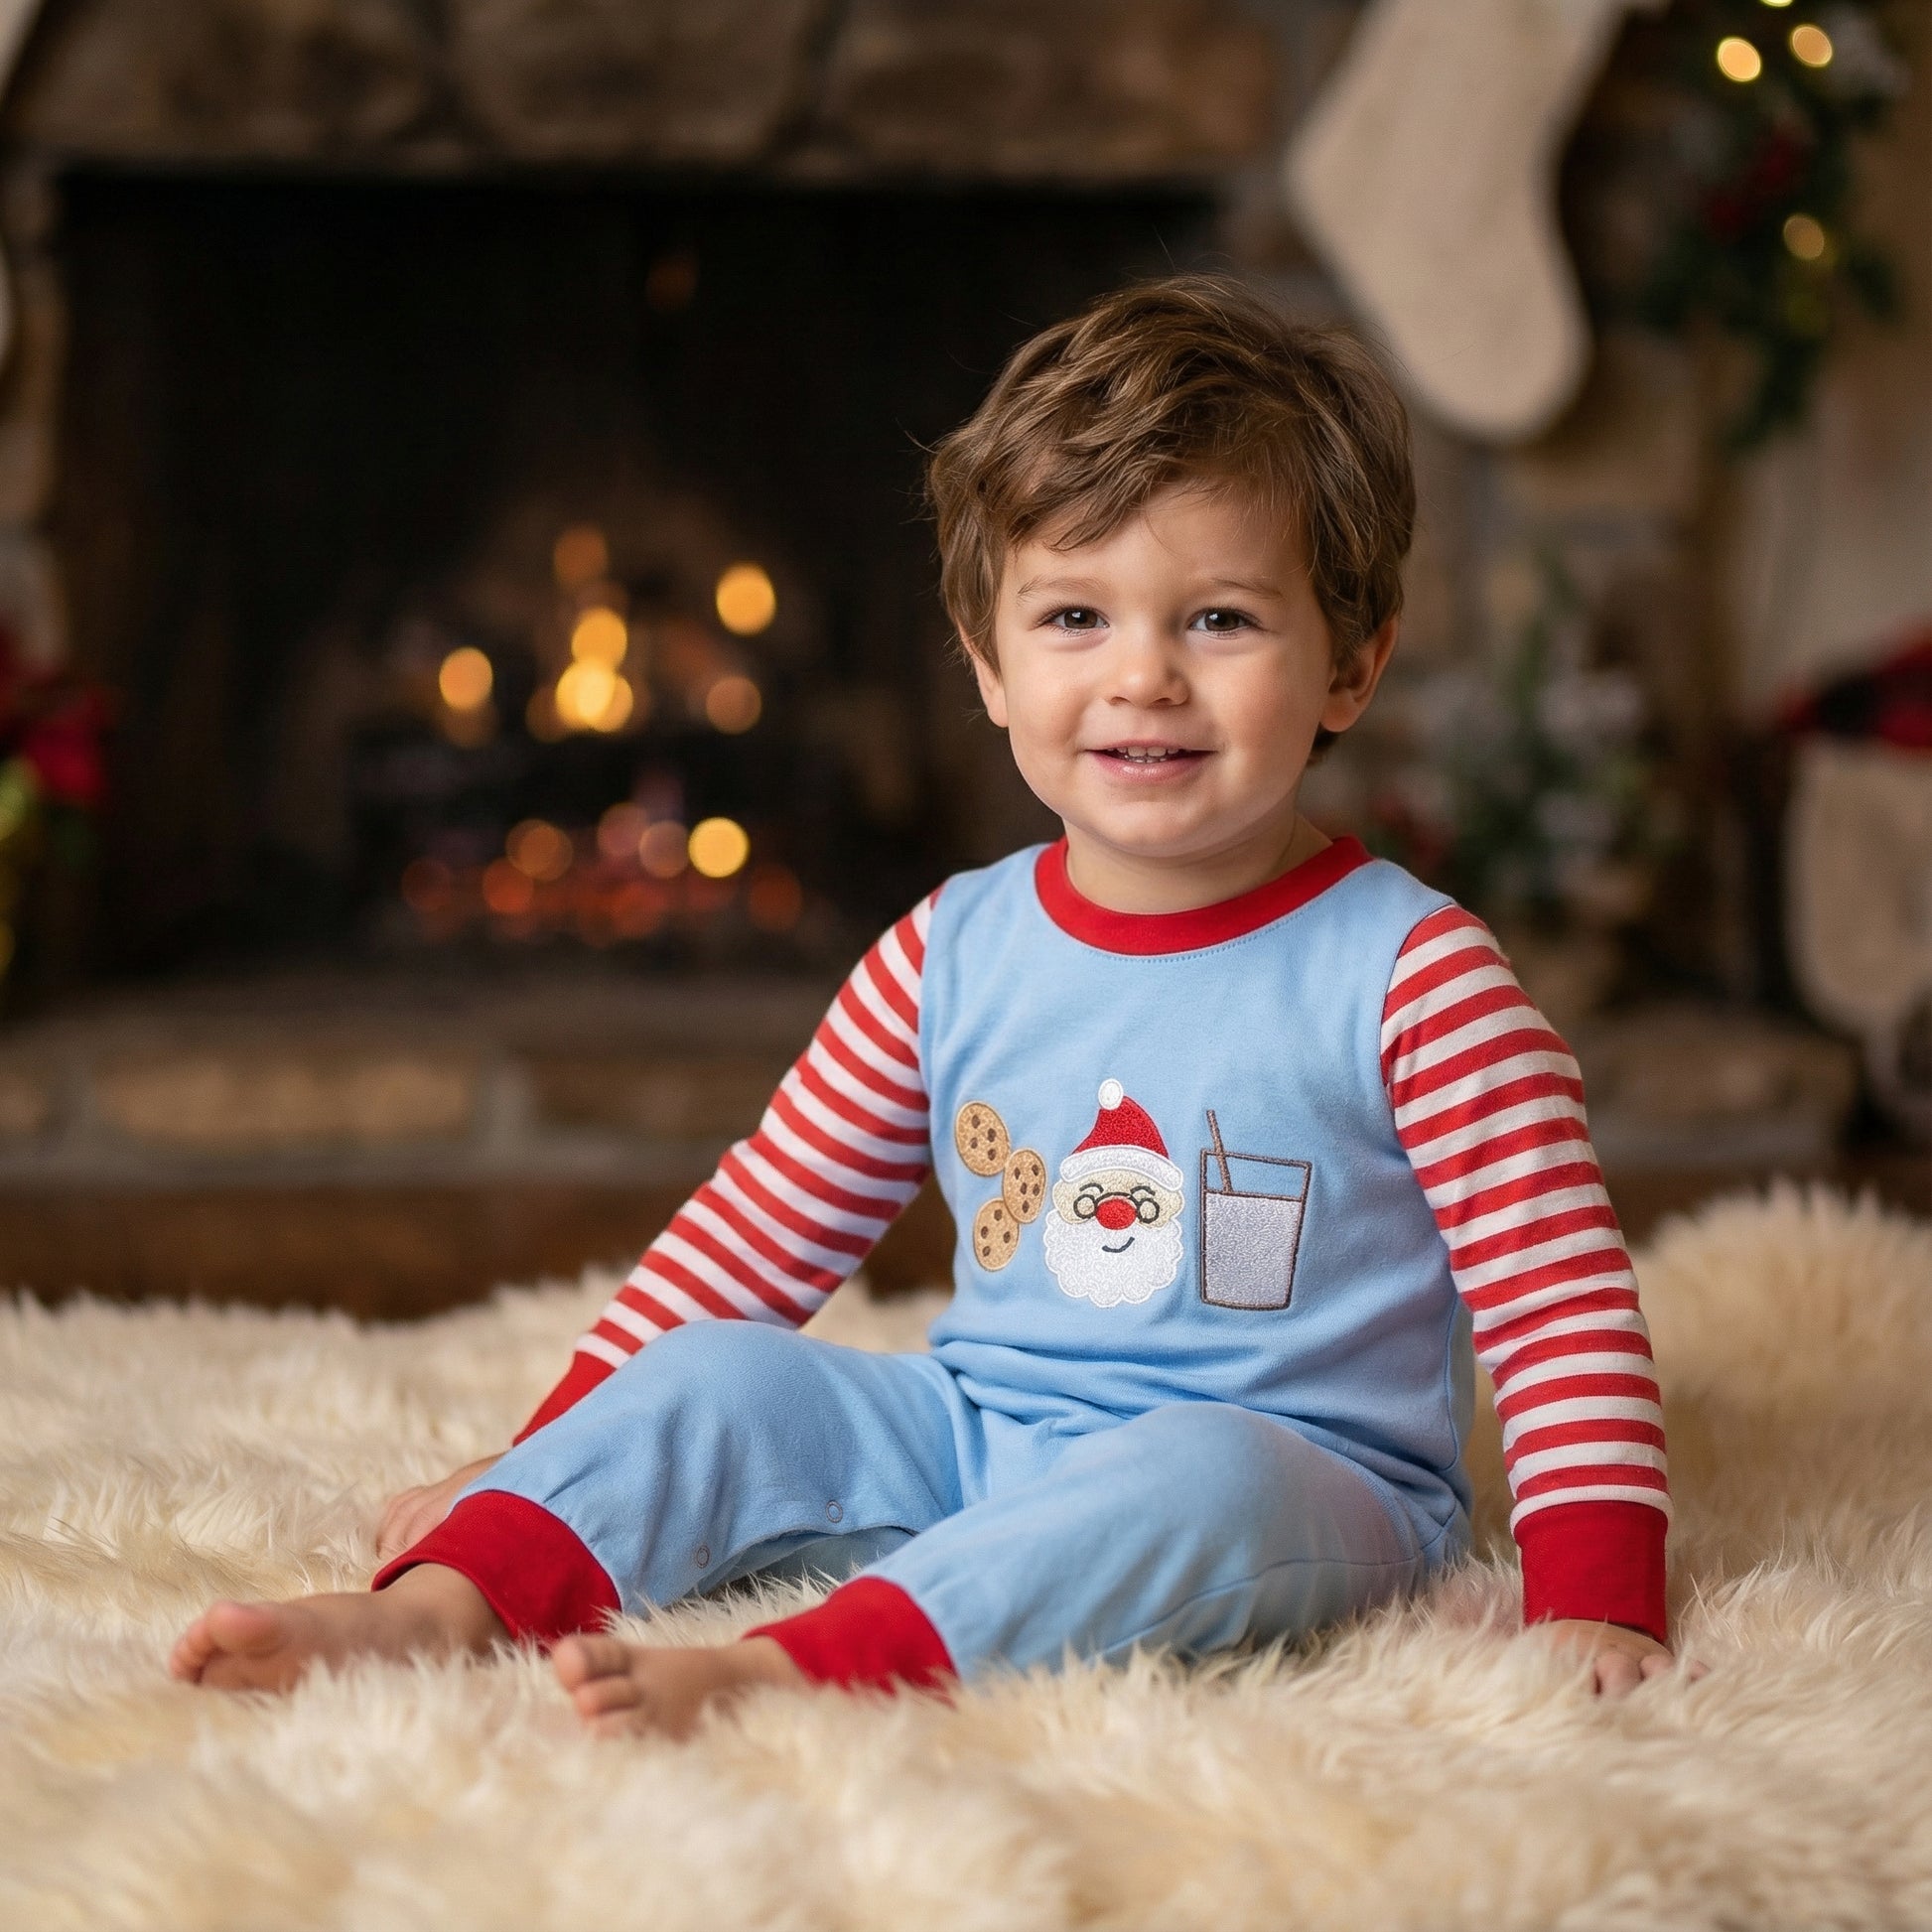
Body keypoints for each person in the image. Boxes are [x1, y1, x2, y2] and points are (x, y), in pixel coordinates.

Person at [171, 277, 1674, 1734]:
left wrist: (1595, 1591)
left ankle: (807, 1670)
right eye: (1074, 617)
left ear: (1350, 663)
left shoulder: (1415, 975)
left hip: (1296, 1479)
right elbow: (758, 1230)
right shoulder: (950, 947)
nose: (1141, 676)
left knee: (1197, 1475)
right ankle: (440, 1613)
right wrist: (537, 1462)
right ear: (986, 665)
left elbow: (1557, 1305)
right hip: (976, 1434)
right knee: (720, 1376)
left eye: (1219, 621)